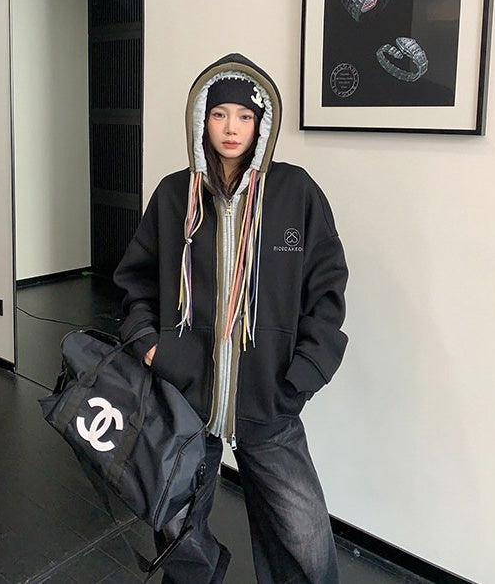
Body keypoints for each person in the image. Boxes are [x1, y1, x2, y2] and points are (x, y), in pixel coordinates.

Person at [114, 53, 348, 584]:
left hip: (269, 394)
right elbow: (136, 278)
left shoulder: (295, 193)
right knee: (177, 526)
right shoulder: (174, 194)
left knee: (303, 535)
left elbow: (327, 285)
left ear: (262, 124)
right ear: (202, 120)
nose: (231, 128)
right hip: (184, 394)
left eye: (244, 116)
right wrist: (150, 343)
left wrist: (305, 372)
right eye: (219, 114)